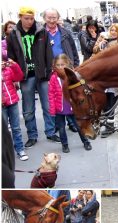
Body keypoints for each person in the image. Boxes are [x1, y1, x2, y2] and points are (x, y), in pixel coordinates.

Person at [7, 6, 59, 148]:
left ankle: (50, 131)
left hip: (42, 75)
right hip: (25, 76)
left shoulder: (41, 31)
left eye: (31, 18)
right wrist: (14, 77)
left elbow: (48, 53)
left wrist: (49, 72)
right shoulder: (13, 34)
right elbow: (11, 57)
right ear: (20, 17)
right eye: (26, 18)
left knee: (48, 105)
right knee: (28, 108)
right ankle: (32, 135)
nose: (30, 21)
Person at [43, 7, 80, 133]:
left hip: (66, 68)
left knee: (69, 95)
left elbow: (74, 50)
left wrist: (75, 64)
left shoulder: (65, 32)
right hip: (51, 70)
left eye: (54, 18)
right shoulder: (41, 33)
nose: (52, 20)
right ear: (44, 18)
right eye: (49, 18)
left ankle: (71, 122)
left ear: (58, 18)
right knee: (54, 96)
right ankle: (56, 125)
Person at [48, 54, 92, 153]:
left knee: (79, 126)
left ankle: (86, 142)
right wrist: (52, 108)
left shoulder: (72, 76)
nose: (60, 67)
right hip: (60, 108)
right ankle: (65, 145)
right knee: (62, 129)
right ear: (54, 66)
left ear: (67, 64)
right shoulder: (53, 78)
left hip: (72, 108)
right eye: (57, 65)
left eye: (62, 64)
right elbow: (50, 94)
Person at [96, 23, 118, 138]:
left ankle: (110, 127)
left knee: (112, 102)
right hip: (106, 77)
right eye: (111, 30)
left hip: (116, 78)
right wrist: (100, 44)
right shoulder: (105, 41)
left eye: (115, 30)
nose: (113, 32)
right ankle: (108, 124)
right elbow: (97, 53)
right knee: (107, 103)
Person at [2, 57, 29, 161]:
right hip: (2, 105)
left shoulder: (8, 70)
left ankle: (20, 149)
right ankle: (5, 153)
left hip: (13, 102)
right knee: (3, 131)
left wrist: (14, 65)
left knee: (16, 128)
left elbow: (19, 76)